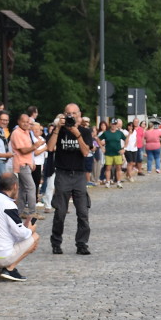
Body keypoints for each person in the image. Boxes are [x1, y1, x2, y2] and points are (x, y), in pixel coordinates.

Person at [46, 104, 92, 255]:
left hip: (79, 175)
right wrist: (57, 128)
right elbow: (50, 148)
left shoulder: (85, 132)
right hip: (63, 174)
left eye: (74, 113)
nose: (71, 116)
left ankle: (82, 243)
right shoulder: (58, 131)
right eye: (68, 114)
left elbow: (86, 153)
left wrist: (77, 133)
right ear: (64, 115)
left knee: (83, 212)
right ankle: (56, 242)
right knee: (60, 212)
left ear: (79, 115)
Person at [101, 118, 126, 186]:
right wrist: (102, 147)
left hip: (117, 153)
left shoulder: (119, 133)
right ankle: (108, 181)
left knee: (118, 168)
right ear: (110, 124)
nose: (113, 126)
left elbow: (126, 139)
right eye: (112, 124)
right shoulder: (106, 133)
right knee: (108, 168)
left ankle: (118, 181)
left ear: (116, 125)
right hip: (108, 153)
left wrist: (124, 148)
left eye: (115, 124)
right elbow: (98, 139)